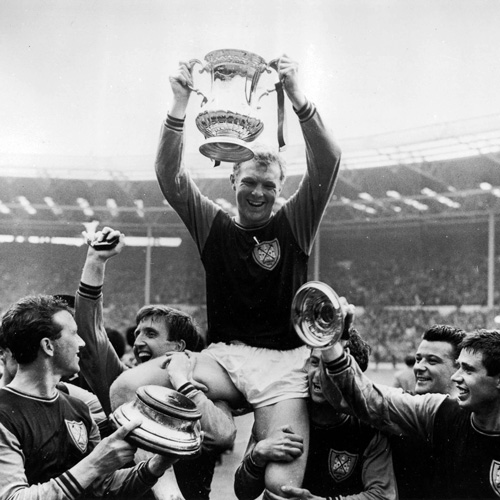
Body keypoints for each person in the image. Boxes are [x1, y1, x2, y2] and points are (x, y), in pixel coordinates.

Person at [151, 53, 341, 496]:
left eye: (270, 185)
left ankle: (243, 447)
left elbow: (328, 162)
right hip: (223, 359)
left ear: (280, 188)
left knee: (279, 485)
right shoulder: (213, 224)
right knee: (127, 389)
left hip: (283, 364)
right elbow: (169, 176)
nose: (259, 192)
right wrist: (179, 104)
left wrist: (295, 95)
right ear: (233, 178)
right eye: (250, 181)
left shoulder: (294, 222)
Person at [76, 226, 236, 500]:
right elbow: (91, 338)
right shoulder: (122, 383)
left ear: (179, 348)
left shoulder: (206, 392)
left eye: (150, 334)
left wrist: (183, 384)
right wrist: (95, 262)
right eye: (137, 333)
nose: (138, 341)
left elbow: (222, 435)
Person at [0, 294, 174, 499]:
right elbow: (12, 497)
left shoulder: (80, 409)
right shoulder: (4, 413)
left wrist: (155, 465)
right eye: (74, 333)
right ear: (48, 346)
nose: (81, 342)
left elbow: (101, 487)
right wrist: (93, 464)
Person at [320, 325, 500, 499]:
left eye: (468, 370)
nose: (456, 377)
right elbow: (369, 399)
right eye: (418, 358)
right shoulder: (438, 410)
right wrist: (332, 346)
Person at [234, 328, 397, 500]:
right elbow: (243, 493)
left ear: (350, 374)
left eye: (328, 365)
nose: (318, 374)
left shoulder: (368, 427)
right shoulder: (281, 413)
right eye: (313, 362)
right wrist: (256, 457)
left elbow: (382, 495)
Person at [390, 324, 466, 500]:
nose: (418, 367)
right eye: (418, 359)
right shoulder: (403, 410)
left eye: (432, 361)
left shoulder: (471, 418)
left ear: (458, 367)